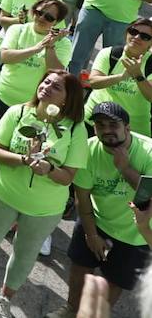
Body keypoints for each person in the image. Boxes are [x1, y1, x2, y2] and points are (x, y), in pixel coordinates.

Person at [0, 71, 88, 318]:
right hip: (2, 192)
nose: (46, 87)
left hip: (44, 208)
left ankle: (4, 298)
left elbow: (68, 177)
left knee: (25, 252)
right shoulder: (18, 112)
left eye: (55, 87)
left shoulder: (76, 130)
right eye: (45, 81)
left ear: (68, 99)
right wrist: (24, 159)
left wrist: (50, 168)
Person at [50, 102, 152, 318]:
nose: (106, 130)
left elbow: (149, 197)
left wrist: (124, 168)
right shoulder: (87, 150)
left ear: (127, 127)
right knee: (80, 266)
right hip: (96, 221)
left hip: (136, 234)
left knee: (116, 280)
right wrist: (91, 234)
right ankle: (71, 309)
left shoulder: (149, 152)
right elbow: (83, 197)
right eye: (100, 125)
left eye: (112, 124)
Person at [83, 15, 152, 137]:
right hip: (95, 121)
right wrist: (121, 77)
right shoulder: (110, 53)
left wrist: (138, 75)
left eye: (145, 36)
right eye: (133, 31)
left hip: (132, 130)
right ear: (126, 33)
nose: (137, 37)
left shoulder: (150, 64)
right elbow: (93, 82)